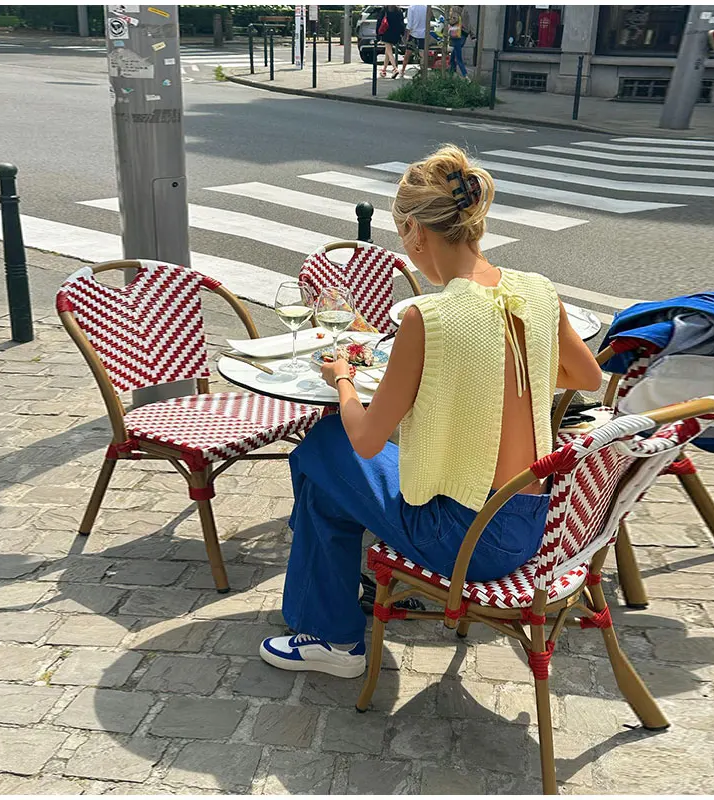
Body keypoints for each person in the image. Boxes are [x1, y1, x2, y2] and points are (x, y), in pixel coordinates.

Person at [260, 145, 602, 678]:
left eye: (403, 236)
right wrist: (494, 377)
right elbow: (588, 378)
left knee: (323, 445)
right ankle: (330, 620)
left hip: (465, 540)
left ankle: (329, 634)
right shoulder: (537, 291)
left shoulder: (430, 317)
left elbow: (369, 439)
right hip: (533, 523)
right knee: (329, 484)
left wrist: (343, 380)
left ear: (418, 231)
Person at [376, 5, 406, 79]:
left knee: (389, 51)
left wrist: (378, 32)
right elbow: (401, 23)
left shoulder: (385, 9)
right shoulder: (399, 10)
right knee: (387, 51)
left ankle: (394, 69)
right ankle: (384, 70)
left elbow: (379, 21)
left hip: (386, 32)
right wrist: (402, 33)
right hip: (395, 33)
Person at [401, 4, 427, 78]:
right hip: (423, 34)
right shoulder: (426, 7)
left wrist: (407, 35)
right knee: (422, 54)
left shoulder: (411, 7)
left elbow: (410, 23)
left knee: (408, 53)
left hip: (413, 34)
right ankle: (423, 71)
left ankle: (403, 70)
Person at [448, 4, 470, 77]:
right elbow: (469, 24)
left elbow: (454, 20)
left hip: (457, 36)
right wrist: (473, 36)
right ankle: (450, 76)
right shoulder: (466, 11)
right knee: (452, 58)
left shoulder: (454, 9)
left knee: (458, 58)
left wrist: (448, 21)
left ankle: (465, 76)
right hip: (464, 36)